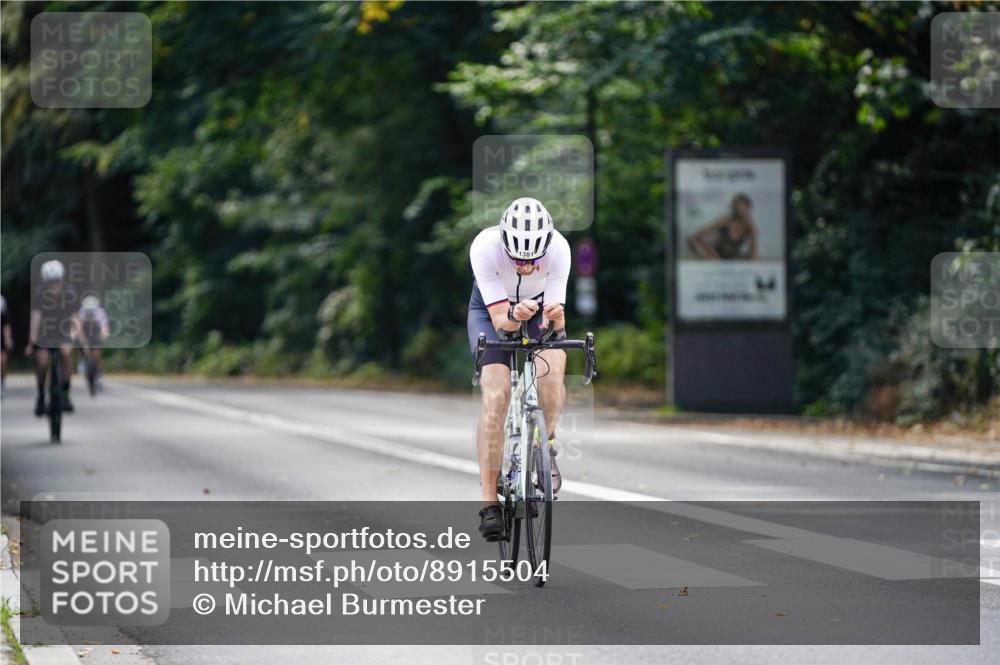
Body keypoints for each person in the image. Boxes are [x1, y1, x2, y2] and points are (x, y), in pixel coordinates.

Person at [468, 197, 571, 541]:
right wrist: (513, 315)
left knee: (553, 373)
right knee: (496, 394)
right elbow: (500, 322)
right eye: (517, 260)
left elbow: (558, 322)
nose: (525, 267)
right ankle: (489, 504)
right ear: (504, 243)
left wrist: (554, 320)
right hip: (491, 309)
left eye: (533, 261)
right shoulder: (484, 247)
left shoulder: (559, 249)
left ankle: (546, 441)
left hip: (539, 306)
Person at [25, 260, 79, 415]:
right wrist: (31, 342)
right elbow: (35, 320)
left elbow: (75, 318)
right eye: (50, 282)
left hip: (63, 333)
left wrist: (75, 336)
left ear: (62, 279)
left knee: (66, 353)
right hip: (44, 334)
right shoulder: (39, 294)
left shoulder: (69, 293)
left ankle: (66, 394)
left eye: (57, 281)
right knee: (42, 362)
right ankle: (41, 396)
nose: (54, 285)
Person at [686, 193, 759, 260]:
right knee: (691, 240)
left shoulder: (749, 226)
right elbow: (697, 236)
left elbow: (753, 249)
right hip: (717, 256)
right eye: (738, 207)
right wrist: (711, 253)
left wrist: (751, 227)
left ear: (748, 209)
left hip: (734, 257)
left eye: (743, 207)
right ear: (733, 208)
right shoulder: (725, 221)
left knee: (756, 258)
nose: (740, 210)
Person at [78, 294, 110, 392]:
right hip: (85, 334)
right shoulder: (81, 312)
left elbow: (105, 328)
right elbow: (79, 329)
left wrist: (103, 337)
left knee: (97, 355)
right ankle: (83, 360)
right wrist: (83, 343)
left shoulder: (100, 313)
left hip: (96, 335)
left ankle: (100, 377)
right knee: (82, 349)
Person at [1, 295, 12, 397]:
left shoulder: (1, 301)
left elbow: (6, 323)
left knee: (2, 361)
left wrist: (8, 339)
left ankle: (1, 382)